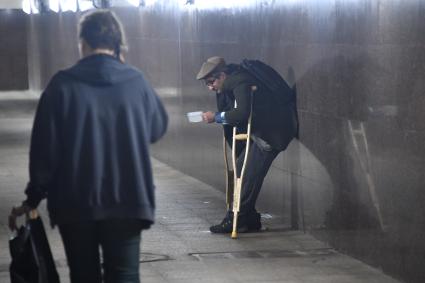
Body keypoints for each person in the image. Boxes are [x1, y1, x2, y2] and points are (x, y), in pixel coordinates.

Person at [8, 10, 168, 283]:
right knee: (125, 276)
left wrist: (32, 198)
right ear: (118, 43)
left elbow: (44, 150)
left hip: (75, 203)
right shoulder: (135, 81)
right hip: (127, 200)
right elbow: (156, 128)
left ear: (82, 42)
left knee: (83, 276)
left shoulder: (61, 85)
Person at [196, 56, 298, 234]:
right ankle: (249, 218)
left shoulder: (239, 82)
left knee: (247, 176)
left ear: (222, 75)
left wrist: (217, 117)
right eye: (207, 84)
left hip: (271, 134)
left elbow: (241, 113)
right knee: (242, 170)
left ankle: (237, 218)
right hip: (264, 132)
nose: (210, 87)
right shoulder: (235, 79)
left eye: (212, 82)